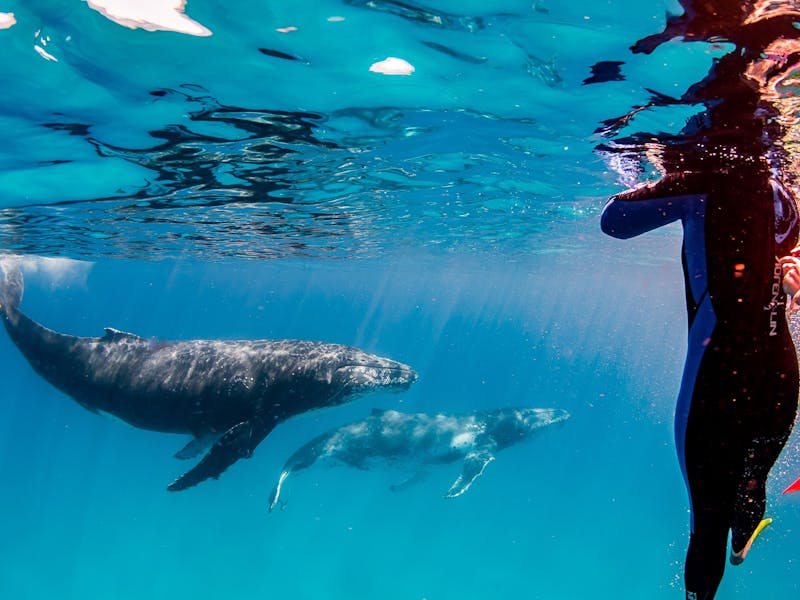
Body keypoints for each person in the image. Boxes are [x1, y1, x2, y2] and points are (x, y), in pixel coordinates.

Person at [601, 140, 800, 598]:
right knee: (753, 478)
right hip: (778, 383)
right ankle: (744, 528)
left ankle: (729, 543)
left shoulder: (701, 182)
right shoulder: (784, 188)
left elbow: (613, 222)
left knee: (706, 526)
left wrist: (654, 171)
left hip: (718, 384)